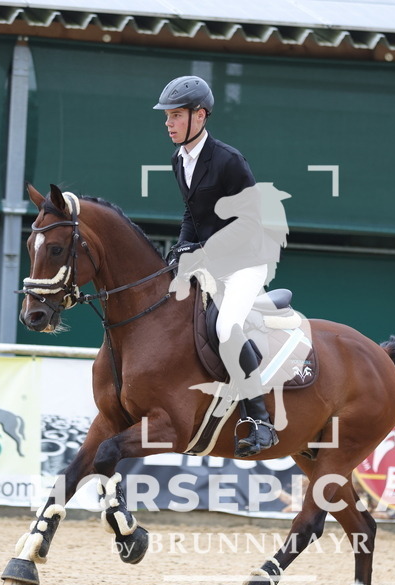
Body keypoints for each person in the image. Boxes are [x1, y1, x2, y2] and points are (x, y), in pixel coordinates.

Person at [153, 74, 278, 457]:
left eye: (176, 116)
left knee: (226, 326)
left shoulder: (228, 161)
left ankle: (259, 419)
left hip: (246, 263)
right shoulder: (180, 160)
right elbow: (192, 214)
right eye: (168, 116)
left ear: (200, 116)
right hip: (209, 261)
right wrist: (181, 248)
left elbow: (250, 223)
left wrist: (204, 251)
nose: (168, 123)